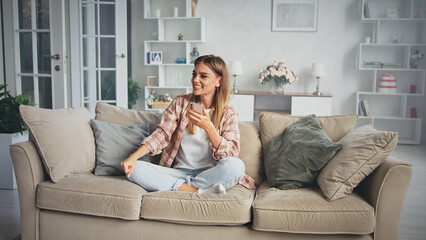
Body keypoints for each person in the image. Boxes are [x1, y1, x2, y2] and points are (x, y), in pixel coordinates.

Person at [120, 55, 255, 194]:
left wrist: (209, 127)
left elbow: (230, 154)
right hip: (179, 173)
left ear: (218, 81)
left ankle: (181, 187)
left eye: (203, 76)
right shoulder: (180, 103)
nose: (195, 80)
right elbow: (162, 134)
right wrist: (134, 157)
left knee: (236, 166)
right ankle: (197, 191)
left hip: (210, 173)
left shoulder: (229, 112)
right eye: (194, 74)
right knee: (135, 169)